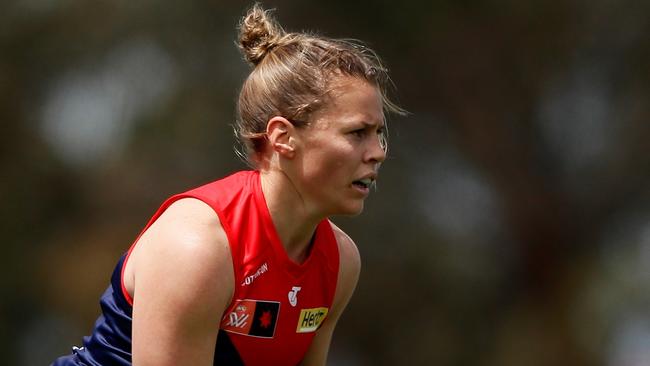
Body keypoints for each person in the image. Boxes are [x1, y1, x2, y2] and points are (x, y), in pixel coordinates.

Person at [53, 3, 403, 366]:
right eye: (357, 133)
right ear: (283, 137)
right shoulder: (198, 249)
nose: (378, 152)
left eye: (379, 133)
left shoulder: (339, 262)